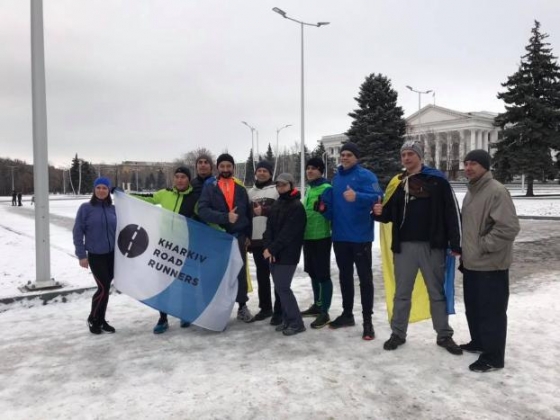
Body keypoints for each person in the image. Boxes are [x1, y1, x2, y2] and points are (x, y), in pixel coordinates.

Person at [372, 140, 463, 355]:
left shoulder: (438, 181)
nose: (406, 158)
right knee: (402, 293)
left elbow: (451, 213)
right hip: (404, 248)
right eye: (403, 154)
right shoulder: (400, 182)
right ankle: (398, 333)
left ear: (420, 157)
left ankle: (444, 335)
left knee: (436, 293)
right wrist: (378, 211)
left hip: (432, 247)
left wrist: (455, 243)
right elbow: (388, 214)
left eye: (410, 154)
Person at [460, 149, 520, 372]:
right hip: (472, 263)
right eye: (466, 163)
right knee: (473, 308)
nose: (468, 168)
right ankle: (479, 342)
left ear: (485, 166)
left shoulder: (496, 191)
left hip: (491, 265)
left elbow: (508, 227)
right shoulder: (472, 192)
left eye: (473, 163)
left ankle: (493, 357)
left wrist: (483, 246)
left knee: (491, 312)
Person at [318, 142, 383, 340]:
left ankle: (367, 321)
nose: (344, 157)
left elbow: (379, 196)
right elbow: (334, 210)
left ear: (356, 157)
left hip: (360, 236)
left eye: (349, 155)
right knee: (345, 276)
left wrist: (358, 196)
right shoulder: (336, 178)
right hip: (340, 237)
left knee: (365, 279)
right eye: (343, 154)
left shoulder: (366, 176)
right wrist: (323, 209)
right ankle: (347, 315)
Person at [133, 166, 201, 334]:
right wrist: (122, 194)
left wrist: (223, 231)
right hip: (165, 247)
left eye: (183, 177)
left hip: (186, 248)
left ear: (188, 179)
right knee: (163, 285)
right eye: (177, 177)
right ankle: (163, 318)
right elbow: (147, 198)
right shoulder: (165, 193)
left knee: (186, 283)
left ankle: (185, 314)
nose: (179, 180)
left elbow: (205, 218)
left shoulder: (195, 198)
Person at [198, 153, 254, 323]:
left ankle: (242, 306)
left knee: (239, 273)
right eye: (222, 166)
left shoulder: (241, 188)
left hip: (238, 237)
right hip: (218, 238)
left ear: (233, 168)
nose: (225, 169)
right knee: (217, 274)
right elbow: (202, 210)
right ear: (218, 167)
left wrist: (248, 235)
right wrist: (224, 217)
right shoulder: (210, 186)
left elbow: (248, 213)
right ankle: (216, 310)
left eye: (228, 166)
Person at [263, 173, 307, 336]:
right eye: (278, 185)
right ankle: (288, 319)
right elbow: (269, 228)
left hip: (288, 254)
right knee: (280, 288)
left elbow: (288, 234)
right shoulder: (277, 204)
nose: (280, 187)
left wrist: (272, 249)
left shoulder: (296, 206)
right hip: (274, 253)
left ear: (291, 185)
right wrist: (268, 247)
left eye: (284, 185)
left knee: (283, 288)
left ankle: (297, 322)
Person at [73, 177, 117, 334]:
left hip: (112, 256)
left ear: (108, 190)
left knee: (105, 289)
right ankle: (93, 318)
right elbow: (78, 232)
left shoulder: (113, 209)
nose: (101, 191)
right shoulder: (86, 208)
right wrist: (81, 255)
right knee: (103, 287)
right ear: (94, 190)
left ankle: (101, 319)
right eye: (98, 187)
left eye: (104, 188)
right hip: (95, 255)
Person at [248, 160, 282, 324]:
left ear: (270, 173)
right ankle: (265, 307)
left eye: (265, 171)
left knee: (276, 276)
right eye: (259, 170)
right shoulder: (250, 192)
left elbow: (281, 211)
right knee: (262, 276)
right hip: (256, 241)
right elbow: (247, 217)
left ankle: (279, 309)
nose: (261, 173)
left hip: (272, 241)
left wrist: (265, 210)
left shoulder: (276, 190)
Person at [301, 157, 333, 329]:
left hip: (321, 237)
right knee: (312, 273)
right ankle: (317, 304)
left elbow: (331, 213)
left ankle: (325, 311)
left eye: (314, 168)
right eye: (308, 168)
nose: (310, 171)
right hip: (308, 237)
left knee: (323, 275)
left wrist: (324, 209)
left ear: (321, 171)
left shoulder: (326, 188)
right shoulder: (309, 188)